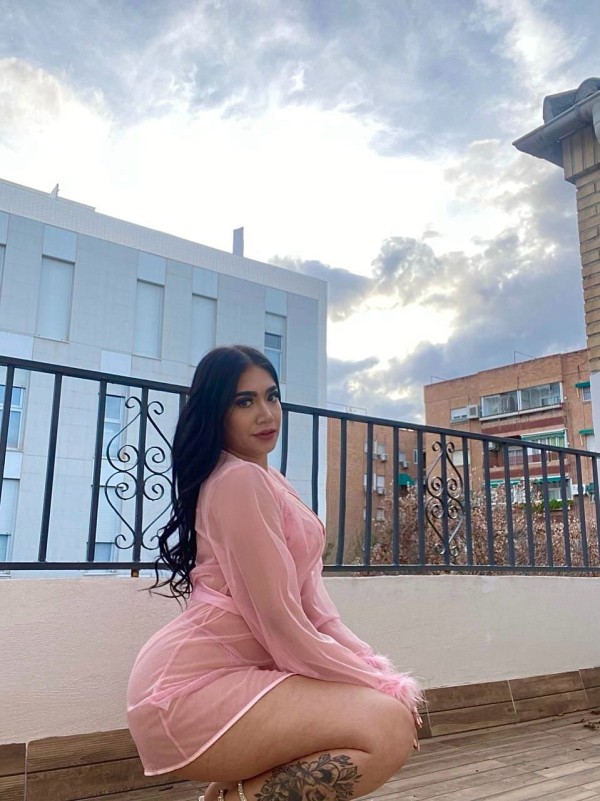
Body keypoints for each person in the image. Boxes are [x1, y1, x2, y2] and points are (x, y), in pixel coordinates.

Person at [127, 345, 422, 801]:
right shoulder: (237, 481)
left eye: (272, 396)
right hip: (186, 691)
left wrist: (373, 667)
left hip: (238, 676)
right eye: (244, 401)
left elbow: (314, 609)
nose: (266, 414)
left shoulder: (269, 480)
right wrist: (376, 685)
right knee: (388, 728)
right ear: (217, 413)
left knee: (385, 713)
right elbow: (280, 620)